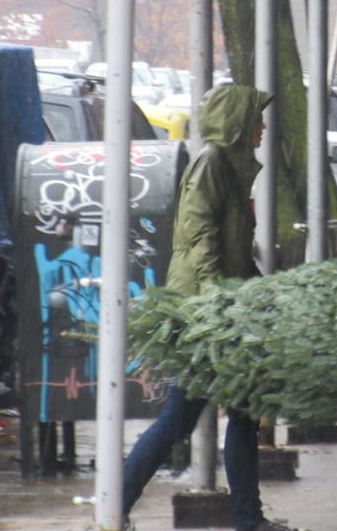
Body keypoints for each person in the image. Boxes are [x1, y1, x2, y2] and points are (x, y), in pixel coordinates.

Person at [121, 84, 289, 531]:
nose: (263, 127)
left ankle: (249, 519)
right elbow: (199, 238)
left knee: (242, 412)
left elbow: (233, 249)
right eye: (257, 119)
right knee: (179, 418)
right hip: (205, 315)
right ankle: (113, 502)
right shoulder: (211, 163)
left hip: (221, 310)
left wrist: (258, 294)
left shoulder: (229, 167)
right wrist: (217, 302)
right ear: (237, 123)